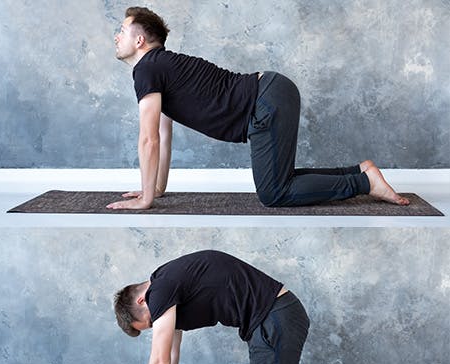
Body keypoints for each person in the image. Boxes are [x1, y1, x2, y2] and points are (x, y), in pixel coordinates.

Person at [107, 7, 409, 211]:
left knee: (274, 193)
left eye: (122, 30)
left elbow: (149, 140)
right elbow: (162, 131)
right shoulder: (161, 67)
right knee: (281, 179)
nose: (117, 37)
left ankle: (364, 183)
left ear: (140, 39)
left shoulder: (147, 69)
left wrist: (145, 200)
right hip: (272, 92)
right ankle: (359, 171)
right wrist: (156, 190)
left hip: (264, 102)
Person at [111, 250, 396, 364]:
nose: (156, 328)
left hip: (274, 319)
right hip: (278, 316)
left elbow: (159, 362)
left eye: (149, 323)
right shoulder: (166, 283)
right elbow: (170, 358)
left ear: (141, 300)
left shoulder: (160, 291)